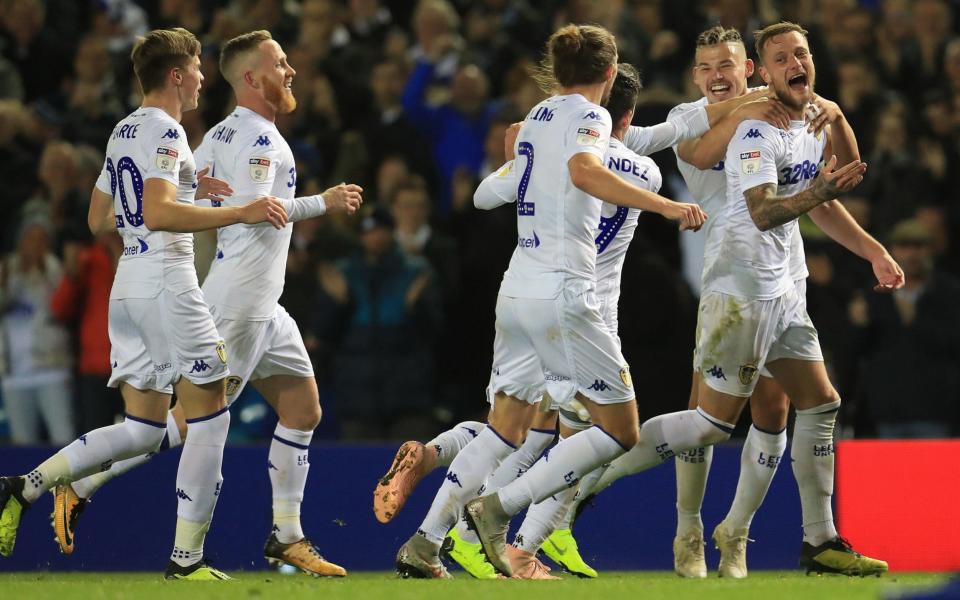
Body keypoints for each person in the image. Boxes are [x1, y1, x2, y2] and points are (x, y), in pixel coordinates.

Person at [513, 21, 894, 578]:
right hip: (732, 284)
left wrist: (872, 250)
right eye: (707, 68)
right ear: (697, 76)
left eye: (727, 66)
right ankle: (656, 514)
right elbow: (698, 149)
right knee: (708, 421)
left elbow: (825, 186)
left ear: (747, 69)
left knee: (799, 405)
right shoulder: (700, 124)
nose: (718, 77)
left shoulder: (786, 116)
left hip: (785, 281)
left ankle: (778, 536)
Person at [394, 23, 707, 579]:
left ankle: (426, 540)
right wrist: (664, 207)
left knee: (504, 428)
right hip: (568, 293)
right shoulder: (593, 120)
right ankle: (499, 511)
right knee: (618, 430)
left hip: (517, 287)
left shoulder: (539, 118)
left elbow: (487, 194)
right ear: (609, 75)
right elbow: (585, 171)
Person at [50, 30, 361, 578]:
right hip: (239, 302)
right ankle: (84, 484)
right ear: (250, 78)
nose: (290, 71)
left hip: (264, 302)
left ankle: (287, 536)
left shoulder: (215, 135)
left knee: (303, 409)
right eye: (280, 63)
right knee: (190, 424)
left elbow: (185, 190)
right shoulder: (262, 142)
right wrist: (325, 202)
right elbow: (255, 207)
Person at [0, 27, 287, 581]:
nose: (204, 77)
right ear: (176, 75)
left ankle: (20, 488)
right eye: (199, 67)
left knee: (144, 430)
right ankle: (188, 560)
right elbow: (157, 214)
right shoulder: (167, 130)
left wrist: (190, 189)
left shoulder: (123, 128)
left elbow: (98, 218)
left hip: (128, 284)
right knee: (210, 418)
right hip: (167, 282)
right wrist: (237, 212)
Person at [0, 219, 74, 444]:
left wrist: (41, 272)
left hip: (51, 368)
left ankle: (66, 481)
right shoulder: (7, 268)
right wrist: (5, 283)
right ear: (20, 241)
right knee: (23, 443)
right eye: (30, 238)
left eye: (42, 239)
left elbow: (62, 308)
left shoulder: (54, 267)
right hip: (15, 374)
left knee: (63, 438)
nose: (35, 244)